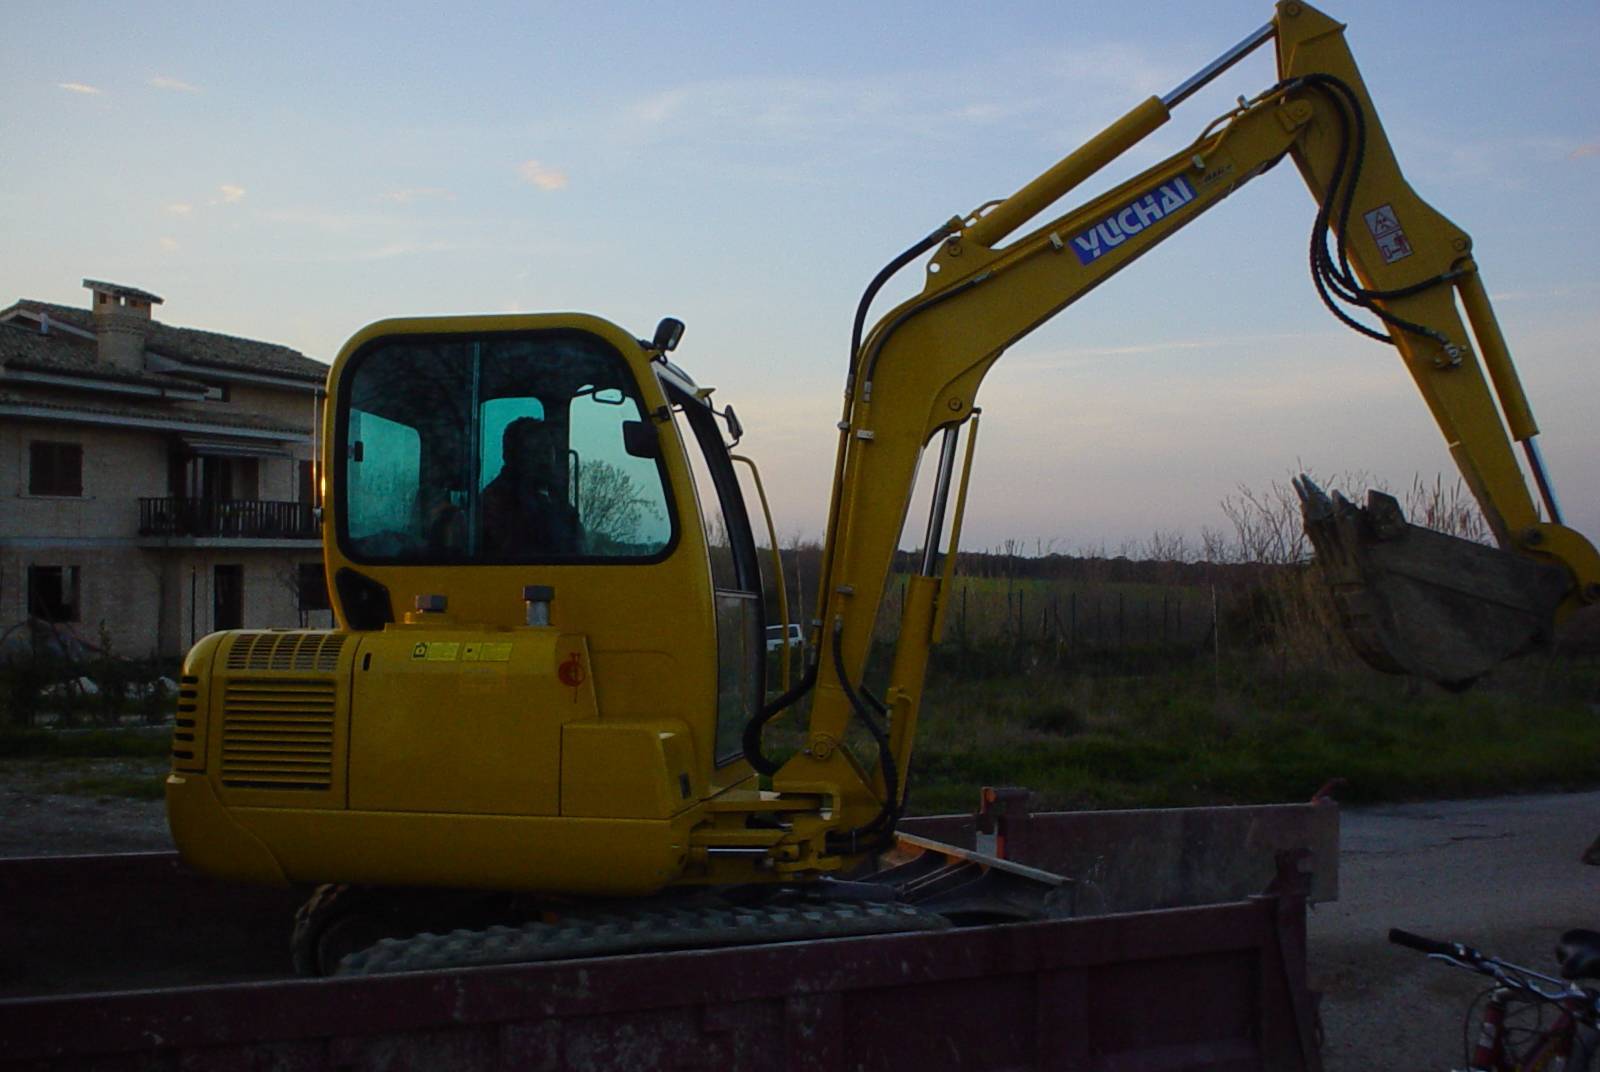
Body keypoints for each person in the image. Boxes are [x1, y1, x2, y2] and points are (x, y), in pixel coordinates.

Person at [481, 417, 582, 556]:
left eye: (547, 450)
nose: (544, 459)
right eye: (534, 451)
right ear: (511, 456)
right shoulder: (495, 503)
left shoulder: (555, 502)